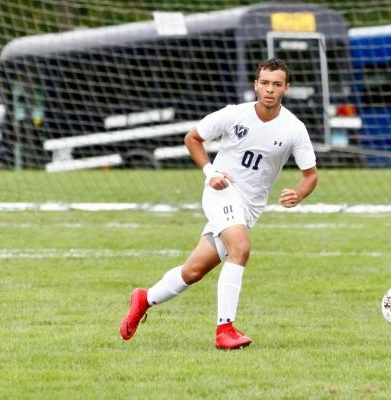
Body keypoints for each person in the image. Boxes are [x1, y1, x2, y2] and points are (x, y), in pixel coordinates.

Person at [119, 58, 318, 350]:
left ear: (286, 88)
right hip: (221, 192)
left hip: (249, 208)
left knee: (193, 272)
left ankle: (143, 299)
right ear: (256, 84)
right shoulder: (233, 115)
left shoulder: (293, 129)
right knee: (241, 248)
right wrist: (210, 172)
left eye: (277, 84)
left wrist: (299, 193)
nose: (269, 89)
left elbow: (310, 175)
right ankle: (225, 330)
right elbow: (193, 138)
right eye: (264, 83)